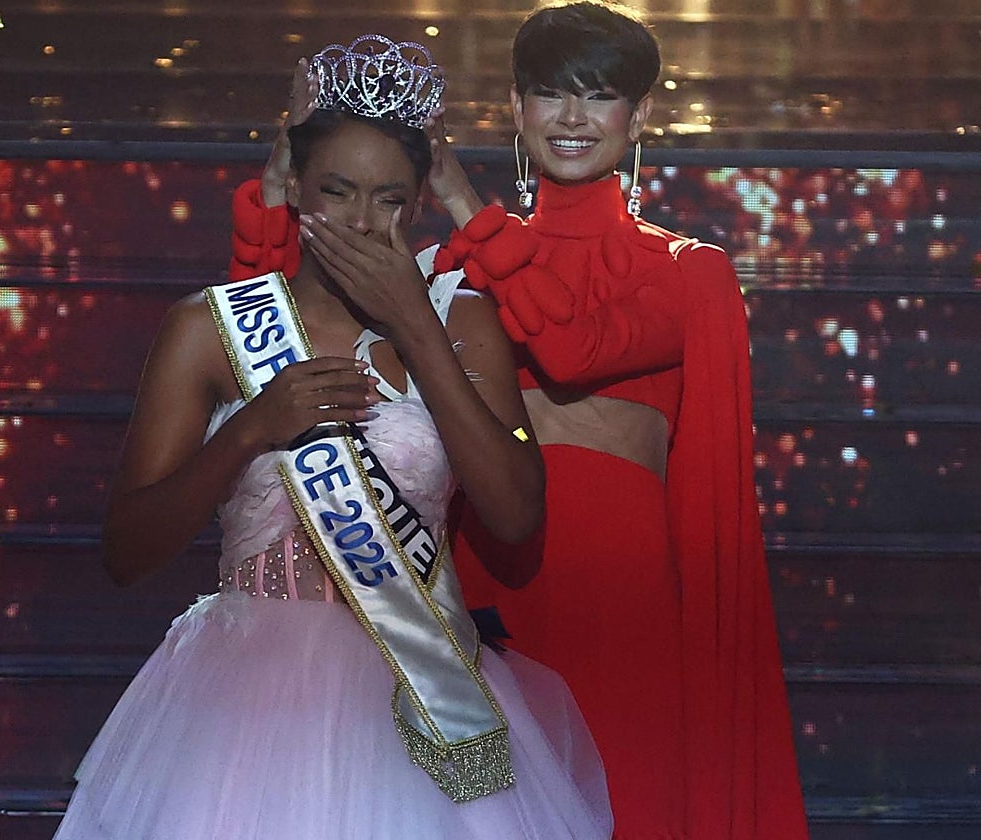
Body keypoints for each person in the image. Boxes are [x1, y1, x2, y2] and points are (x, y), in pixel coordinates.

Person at [227, 5, 809, 839]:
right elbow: (278, 338)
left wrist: (462, 199)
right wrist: (283, 179)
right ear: (516, 107)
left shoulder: (686, 272)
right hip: (484, 577)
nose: (572, 118)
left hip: (620, 602)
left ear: (639, 115)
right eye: (549, 94)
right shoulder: (445, 267)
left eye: (600, 96)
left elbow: (571, 347)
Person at [53, 34, 613, 840]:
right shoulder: (211, 330)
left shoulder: (462, 321)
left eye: (387, 199)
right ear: (297, 191)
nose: (359, 221)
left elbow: (518, 514)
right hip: (243, 697)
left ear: (417, 201)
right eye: (338, 191)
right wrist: (250, 430)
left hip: (418, 687)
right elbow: (127, 551)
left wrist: (418, 329)